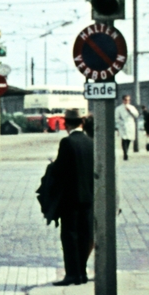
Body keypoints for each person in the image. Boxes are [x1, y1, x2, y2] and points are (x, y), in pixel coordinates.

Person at [52, 110, 95, 285]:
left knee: (70, 236)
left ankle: (72, 274)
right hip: (89, 197)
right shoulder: (90, 142)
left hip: (71, 198)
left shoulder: (67, 142)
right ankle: (82, 273)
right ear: (81, 123)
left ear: (66, 124)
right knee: (85, 236)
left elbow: (60, 170)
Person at [120, 94, 140, 161]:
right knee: (124, 139)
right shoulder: (119, 108)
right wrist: (121, 123)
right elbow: (117, 118)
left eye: (128, 100)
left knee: (128, 139)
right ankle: (125, 153)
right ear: (123, 100)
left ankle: (126, 151)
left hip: (130, 125)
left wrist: (130, 111)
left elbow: (136, 115)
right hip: (123, 125)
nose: (127, 101)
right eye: (126, 100)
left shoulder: (132, 107)